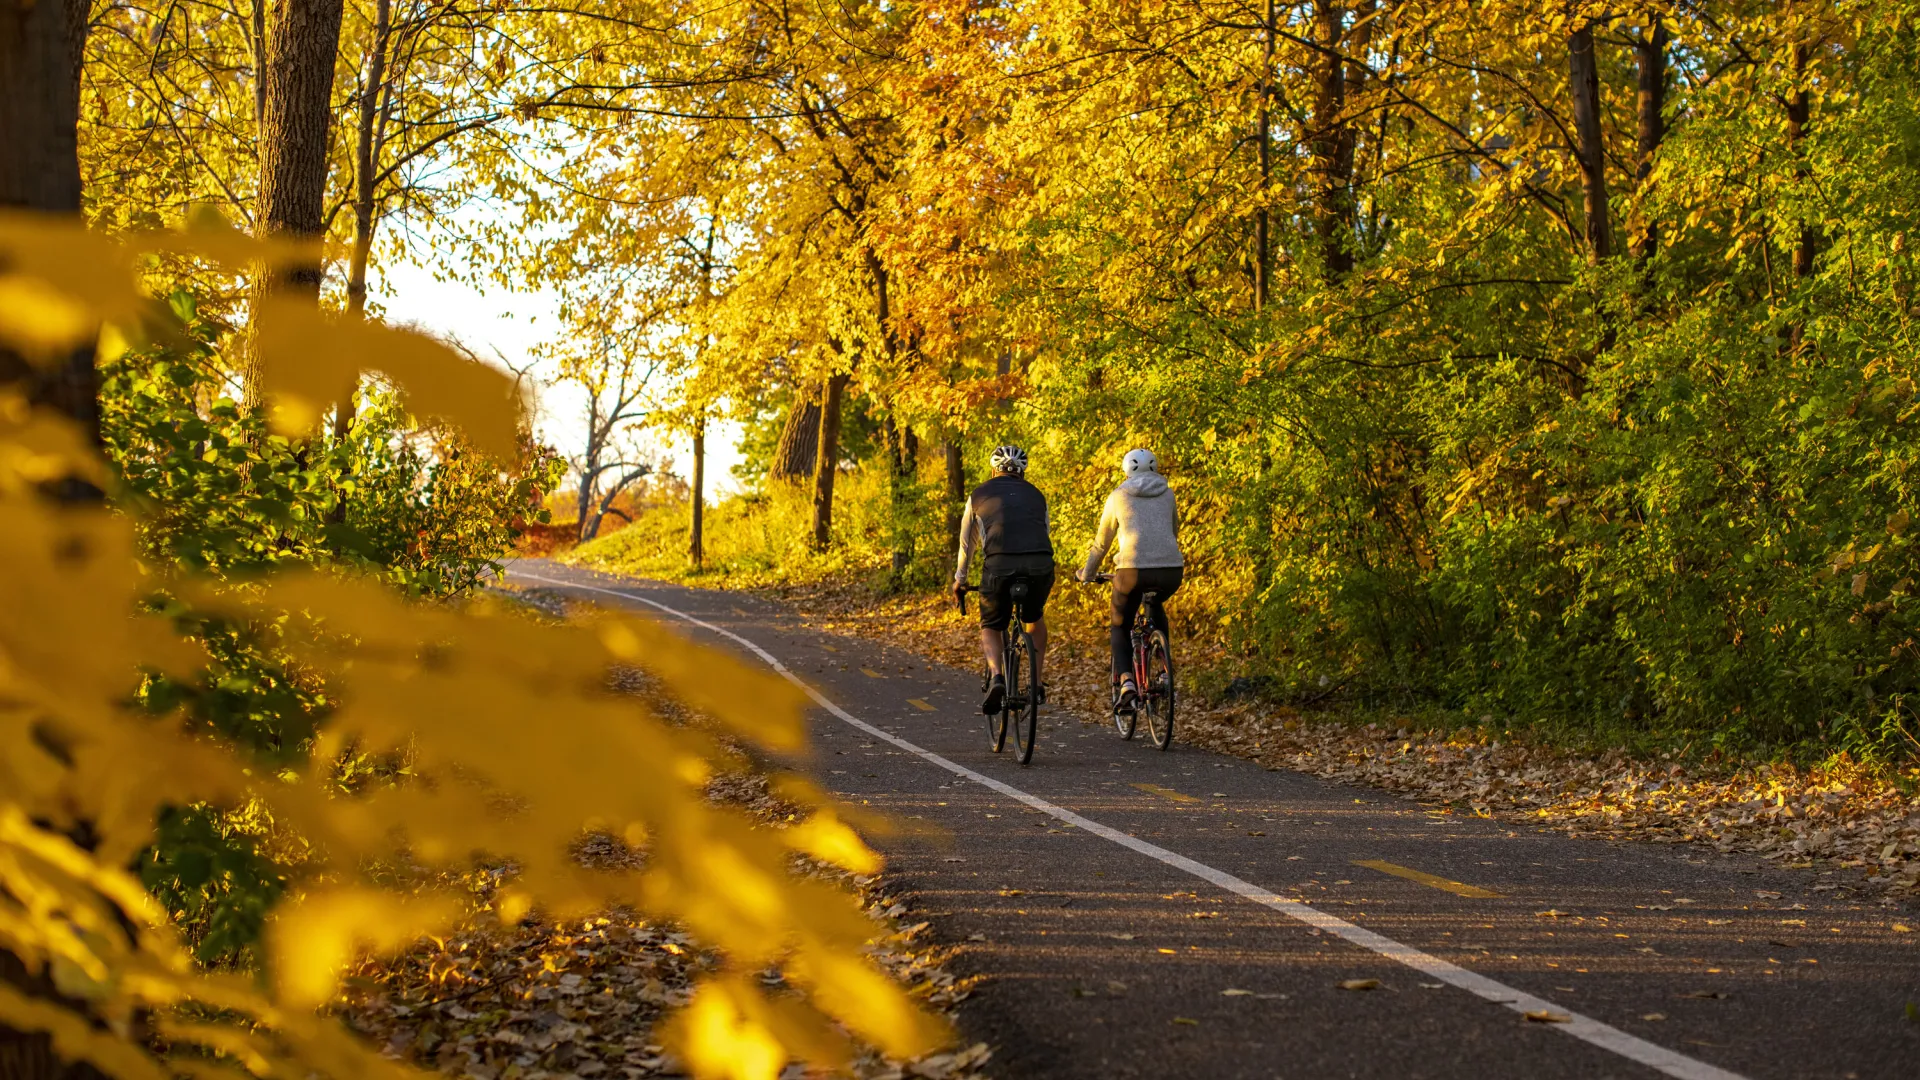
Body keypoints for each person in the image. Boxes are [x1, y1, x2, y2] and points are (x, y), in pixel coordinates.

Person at [1077, 448, 1183, 712]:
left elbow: (1102, 544)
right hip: (1171, 571)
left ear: (1126, 471)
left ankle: (1126, 683)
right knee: (1155, 603)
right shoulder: (1168, 493)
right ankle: (1166, 669)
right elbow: (1174, 530)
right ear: (1156, 468)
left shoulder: (1118, 496)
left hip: (1132, 571)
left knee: (1120, 625)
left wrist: (1087, 574)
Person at [952, 444, 1054, 714]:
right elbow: (1045, 532)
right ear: (1022, 472)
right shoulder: (1037, 495)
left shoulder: (978, 495)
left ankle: (997, 676)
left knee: (991, 623)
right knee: (1035, 618)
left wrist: (960, 579)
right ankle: (1036, 681)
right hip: (1040, 564)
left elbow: (967, 544)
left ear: (994, 469)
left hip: (999, 565)